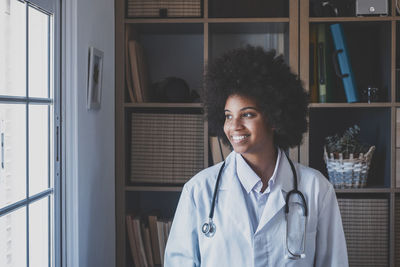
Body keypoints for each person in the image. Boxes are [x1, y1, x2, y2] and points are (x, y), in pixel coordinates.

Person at [164, 45, 348, 267]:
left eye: (247, 114)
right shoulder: (199, 190)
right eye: (228, 116)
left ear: (274, 118)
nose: (234, 126)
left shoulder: (316, 188)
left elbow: (334, 262)